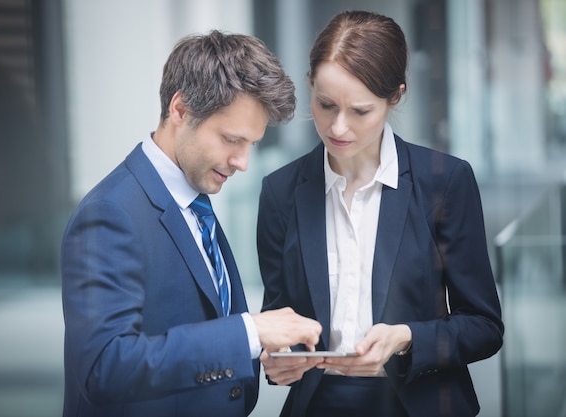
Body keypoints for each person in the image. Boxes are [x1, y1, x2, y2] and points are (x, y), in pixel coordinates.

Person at [60, 30, 322, 417]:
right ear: (180, 110)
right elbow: (104, 367)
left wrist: (262, 352)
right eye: (231, 139)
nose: (242, 162)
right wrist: (248, 333)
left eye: (251, 143)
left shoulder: (194, 198)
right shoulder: (111, 214)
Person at [256, 10, 504, 417]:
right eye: (325, 104)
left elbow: (484, 327)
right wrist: (280, 356)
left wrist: (406, 337)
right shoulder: (281, 192)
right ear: (309, 88)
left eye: (360, 111)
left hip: (420, 402)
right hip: (319, 405)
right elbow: (279, 316)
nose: (338, 127)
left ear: (396, 96)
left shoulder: (445, 183)